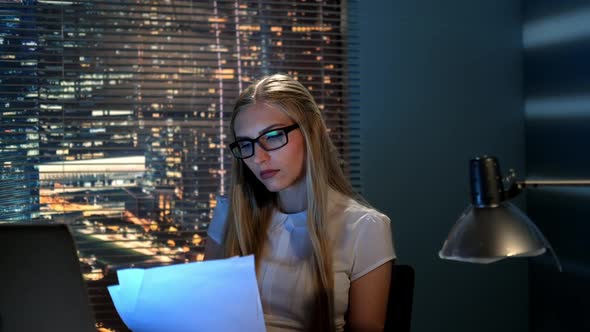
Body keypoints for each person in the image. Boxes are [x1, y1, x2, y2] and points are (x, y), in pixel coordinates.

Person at [205, 74, 395, 332]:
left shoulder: (365, 227)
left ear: (311, 133)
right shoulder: (231, 215)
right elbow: (203, 313)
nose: (258, 158)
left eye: (272, 136)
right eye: (245, 144)